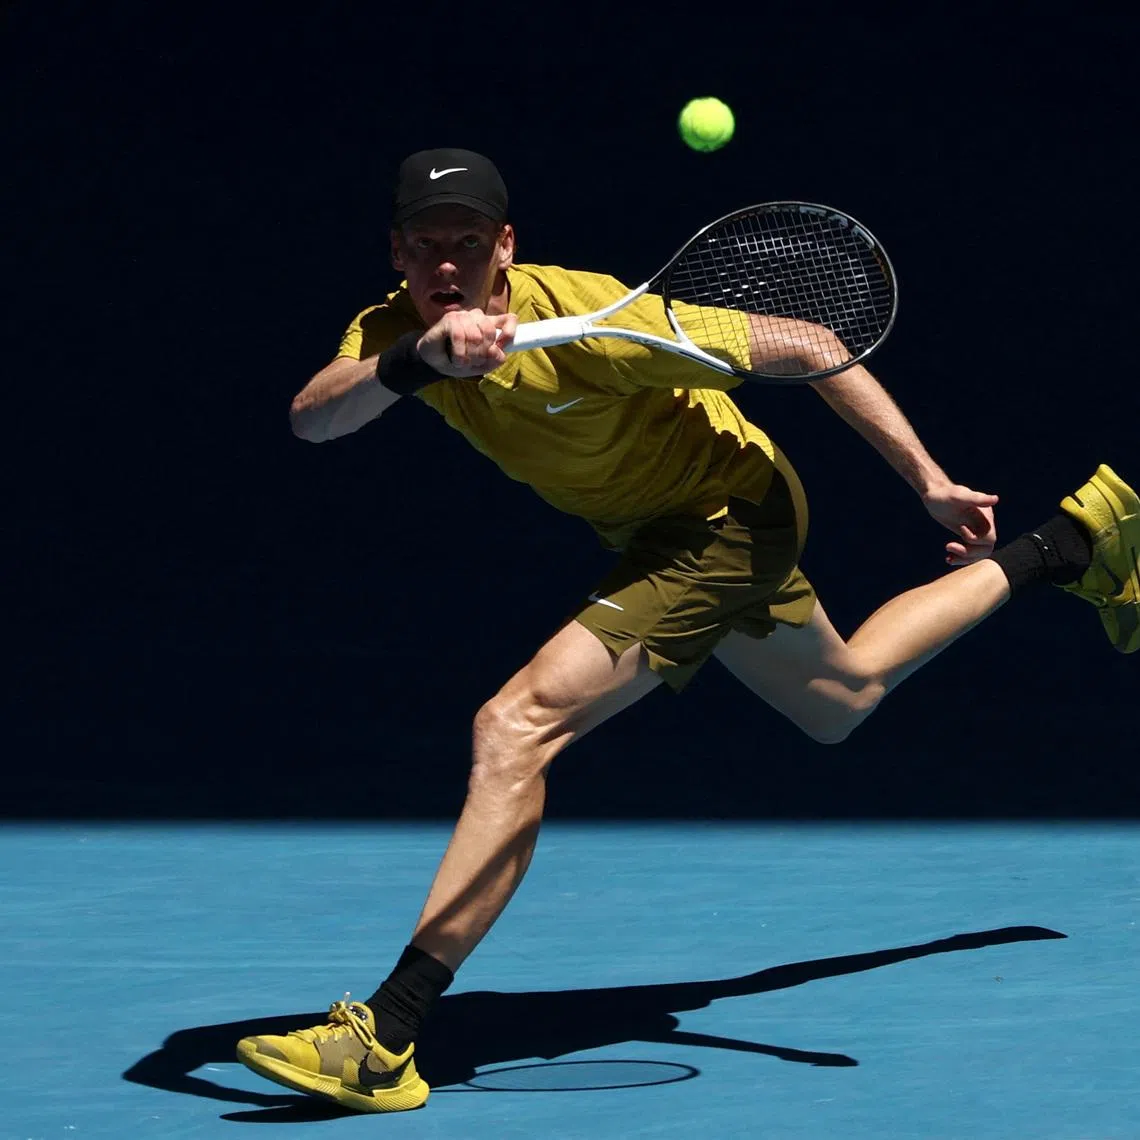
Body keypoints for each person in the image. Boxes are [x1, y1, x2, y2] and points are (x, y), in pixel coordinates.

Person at [236, 148, 1138, 1113]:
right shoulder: (389, 328)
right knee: (843, 697)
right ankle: (1076, 542)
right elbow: (311, 420)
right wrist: (418, 359)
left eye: (468, 242)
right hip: (652, 528)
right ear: (398, 251)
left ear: (507, 246)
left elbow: (804, 340)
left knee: (516, 726)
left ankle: (389, 1034)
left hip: (728, 518)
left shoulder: (600, 326)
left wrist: (926, 480)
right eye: (425, 245)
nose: (445, 265)